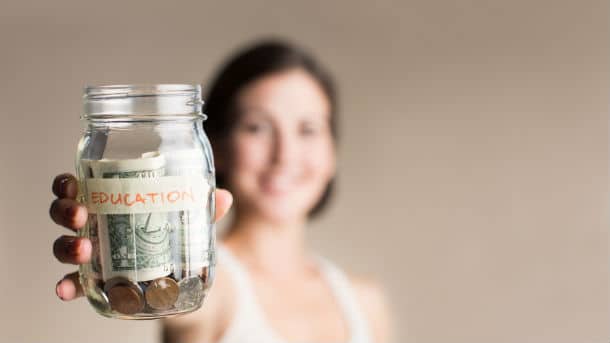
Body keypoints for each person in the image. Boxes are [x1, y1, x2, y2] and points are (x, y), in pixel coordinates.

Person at [50, 39, 391, 343]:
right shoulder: (208, 285)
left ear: (333, 150)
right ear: (219, 147)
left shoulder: (365, 301)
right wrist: (116, 267)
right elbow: (184, 307)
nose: (285, 154)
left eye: (308, 129)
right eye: (257, 127)